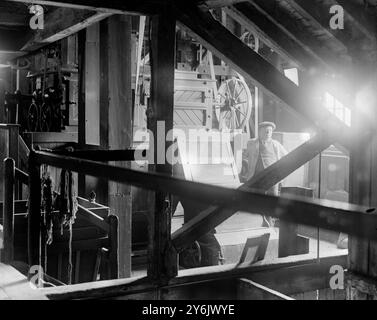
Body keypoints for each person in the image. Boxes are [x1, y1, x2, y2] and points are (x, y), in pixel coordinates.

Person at [244, 121, 288, 227]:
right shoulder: (251, 143)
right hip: (257, 176)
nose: (268, 133)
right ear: (259, 132)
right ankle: (261, 220)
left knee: (273, 199)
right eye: (265, 131)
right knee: (258, 199)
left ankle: (270, 220)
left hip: (272, 177)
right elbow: (245, 155)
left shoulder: (276, 145)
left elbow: (286, 156)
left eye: (270, 131)